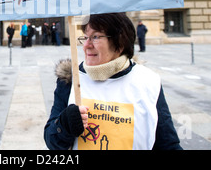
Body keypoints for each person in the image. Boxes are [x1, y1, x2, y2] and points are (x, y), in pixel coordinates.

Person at [44, 13, 181, 150]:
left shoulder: (147, 81)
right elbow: (52, 141)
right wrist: (63, 125)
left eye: (95, 37)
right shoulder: (70, 80)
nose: (86, 45)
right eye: (85, 37)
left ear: (120, 42)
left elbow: (168, 144)